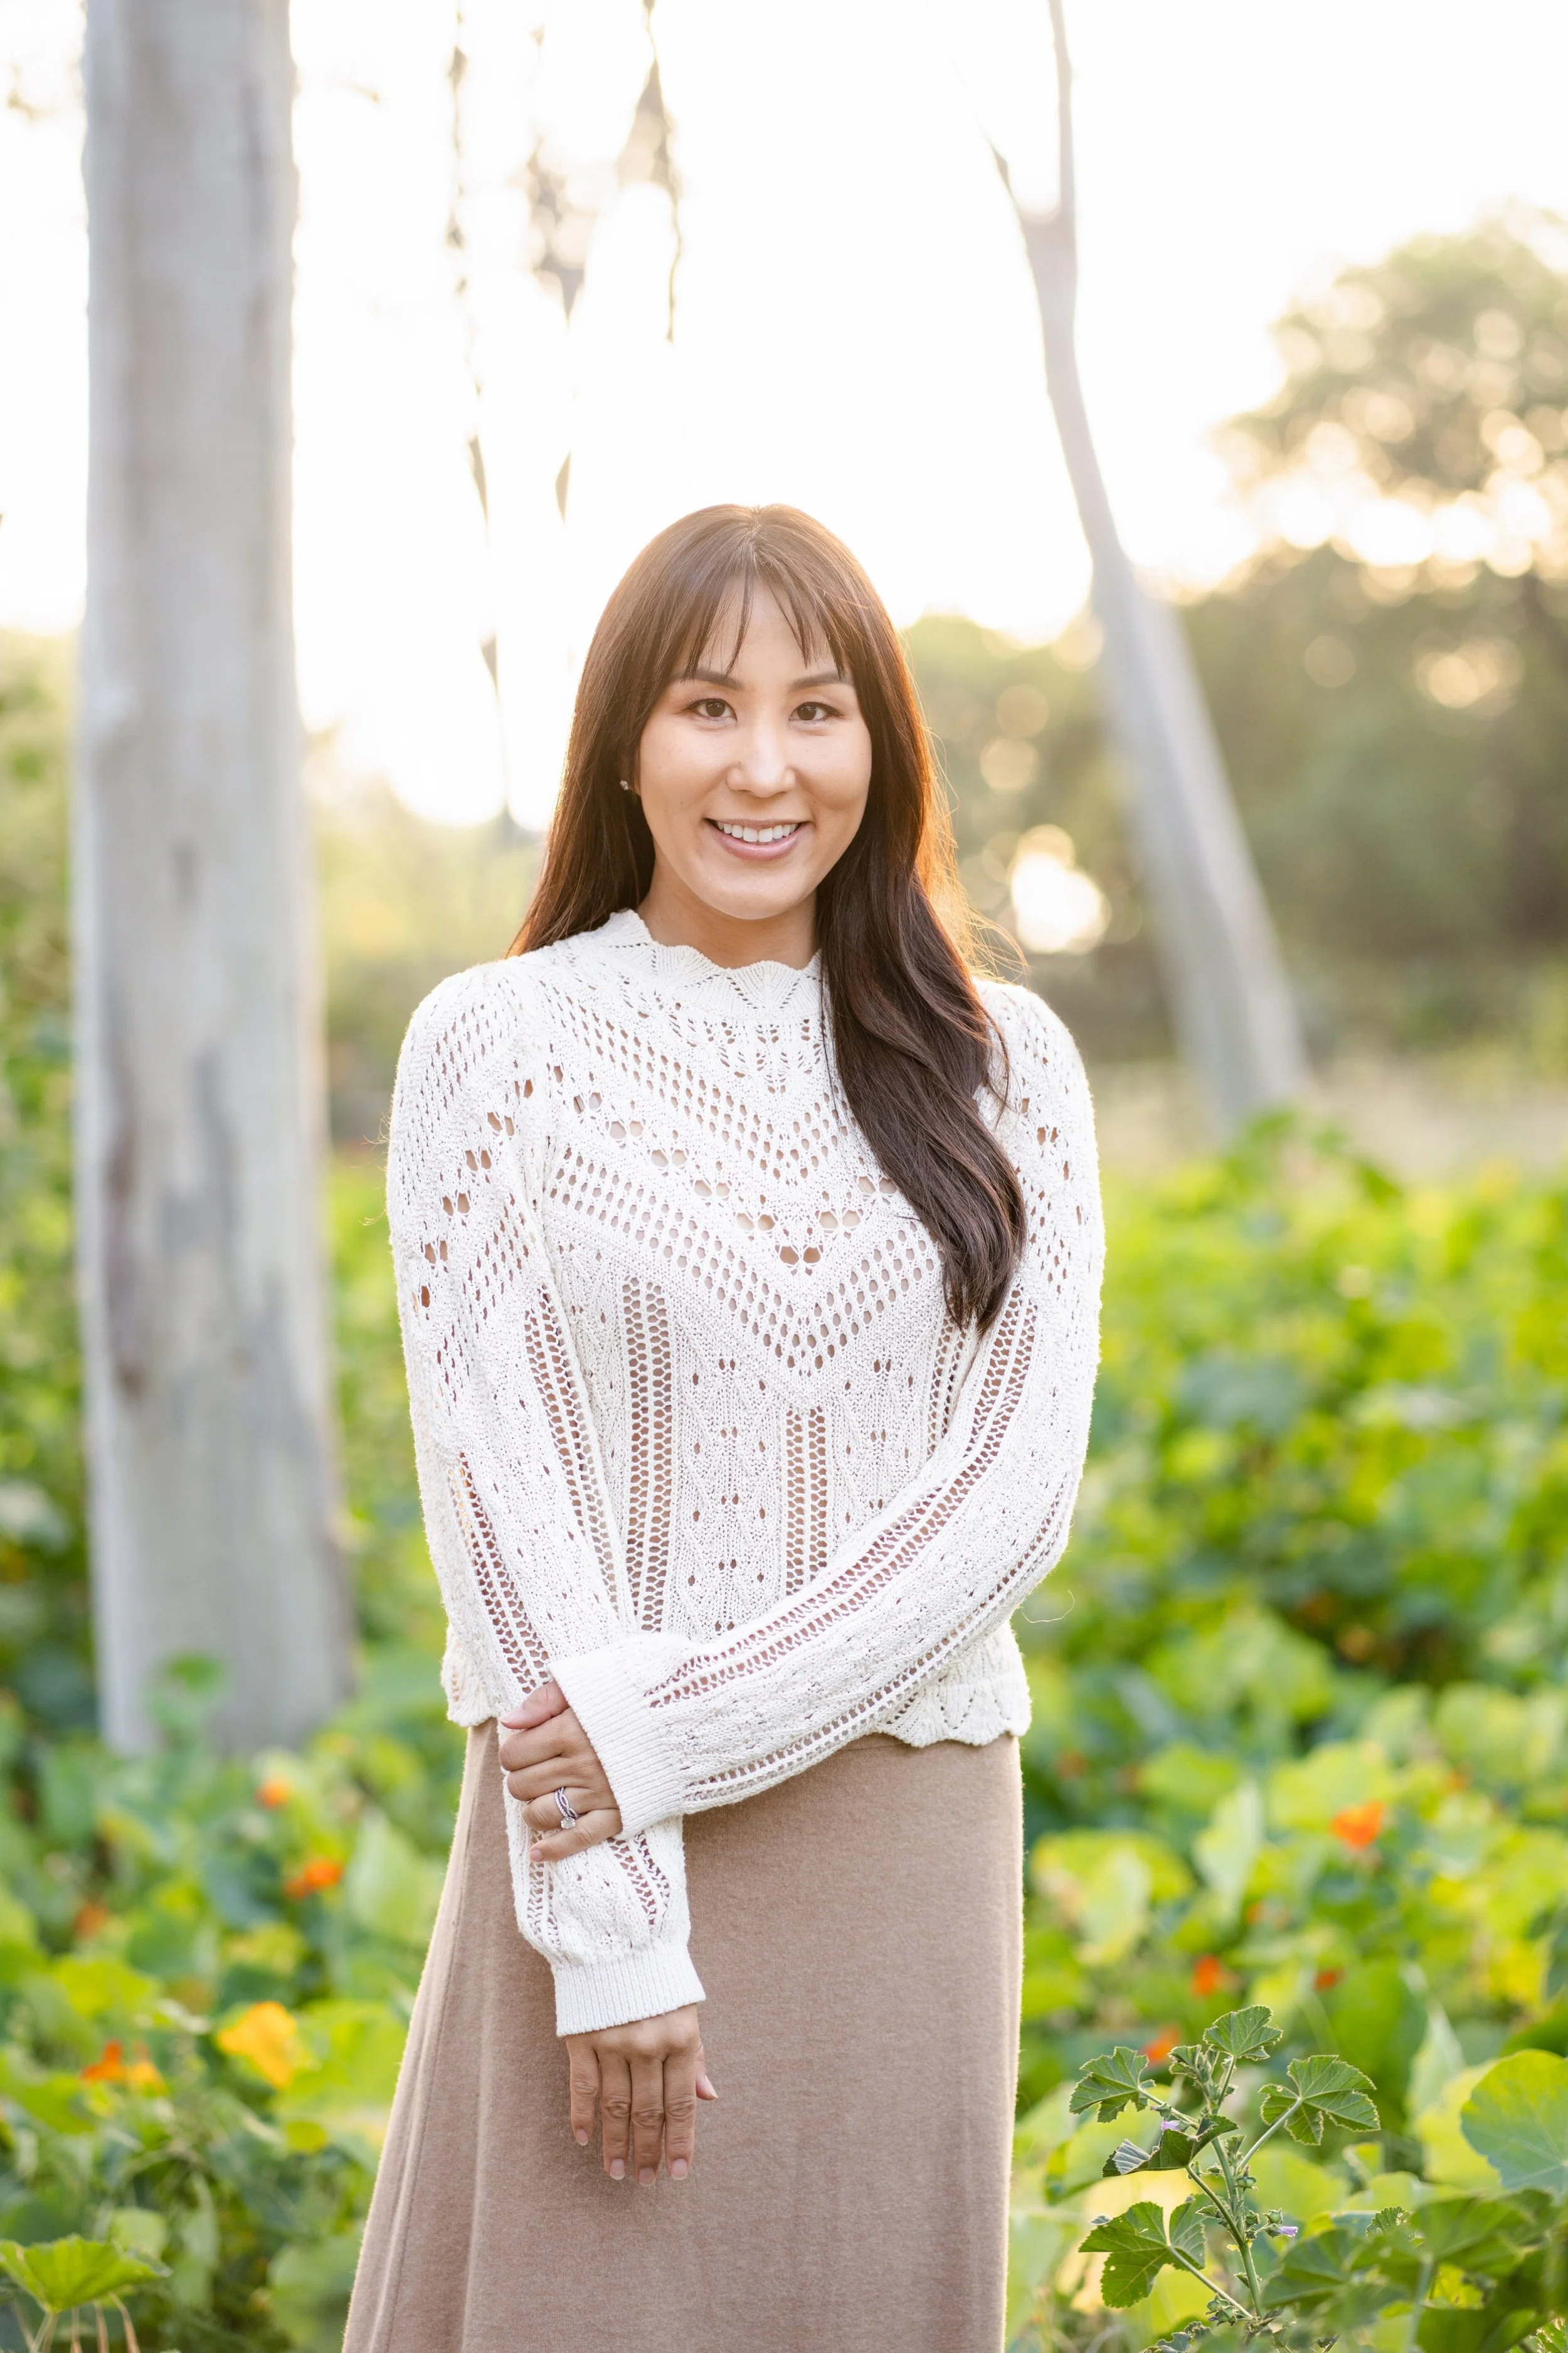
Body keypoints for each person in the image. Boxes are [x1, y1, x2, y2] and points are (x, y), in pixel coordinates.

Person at [343, 504, 1103, 2353]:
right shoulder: (492, 1044)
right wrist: (610, 1920)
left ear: (881, 748)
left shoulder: (1007, 1065)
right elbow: (502, 1507)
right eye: (706, 706)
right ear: (623, 741)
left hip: (890, 1824)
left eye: (818, 711)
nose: (764, 767)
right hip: (584, 1837)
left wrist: (664, 1730)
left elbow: (1010, 1496)